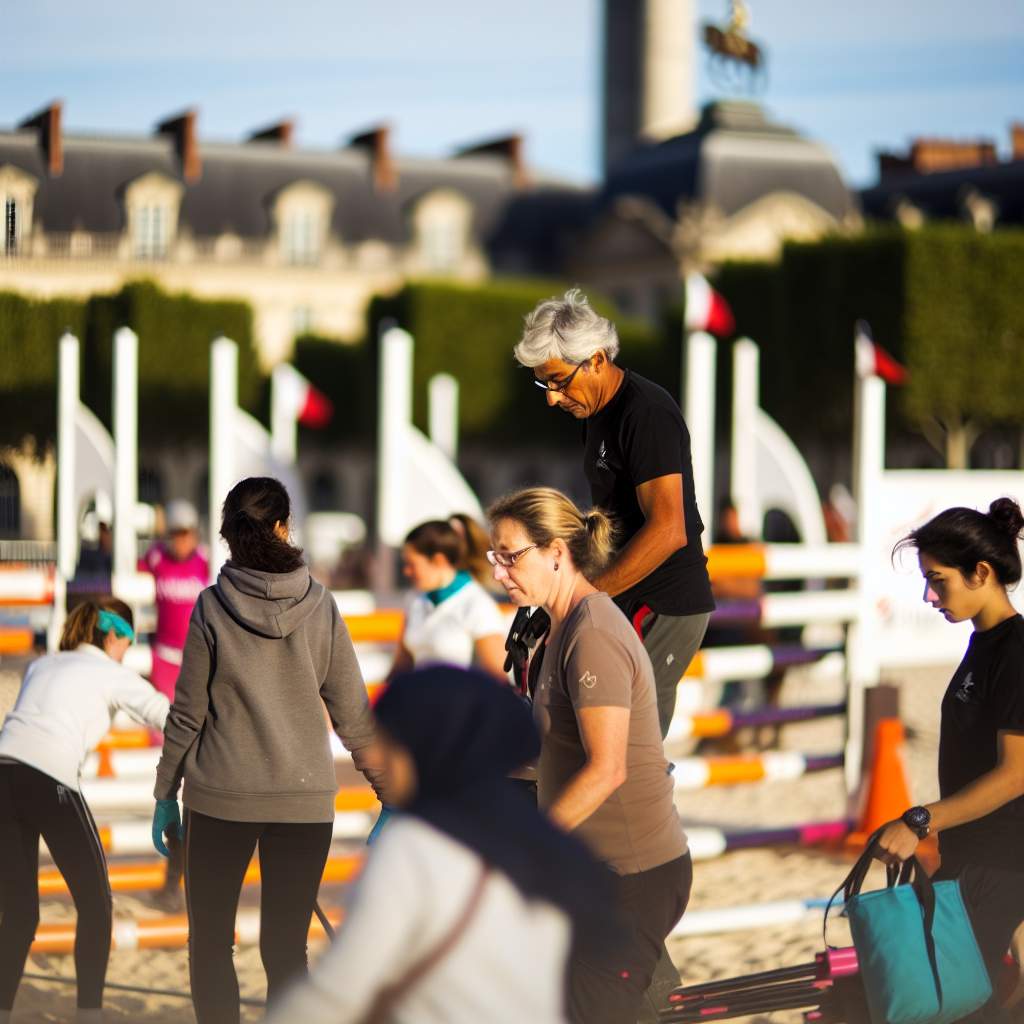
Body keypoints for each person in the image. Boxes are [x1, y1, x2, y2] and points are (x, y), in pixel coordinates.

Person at [151, 476, 388, 1024]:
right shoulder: (322, 606)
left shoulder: (212, 607)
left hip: (220, 799)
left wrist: (165, 792)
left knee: (210, 945)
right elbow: (354, 715)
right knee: (286, 951)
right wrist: (389, 794)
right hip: (304, 803)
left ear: (229, 535)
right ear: (284, 527)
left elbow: (186, 714)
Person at [268, 665, 618, 1024]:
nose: (380, 759)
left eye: (392, 744)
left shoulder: (412, 846)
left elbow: (336, 993)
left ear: (431, 749)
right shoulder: (545, 846)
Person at [487, 486, 691, 1024]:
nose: (500, 571)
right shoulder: (559, 628)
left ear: (557, 552)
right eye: (495, 557)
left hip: (631, 875)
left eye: (511, 556)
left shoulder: (592, 633)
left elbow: (608, 767)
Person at [514, 288, 714, 740]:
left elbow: (668, 529)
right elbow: (613, 521)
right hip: (628, 591)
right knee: (580, 730)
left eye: (559, 380)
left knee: (624, 749)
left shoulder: (645, 412)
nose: (551, 397)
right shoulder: (597, 412)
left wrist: (582, 598)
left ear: (598, 360)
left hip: (662, 601)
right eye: (543, 383)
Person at [876, 498, 1024, 999]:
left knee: (952, 1004)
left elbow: (1015, 776)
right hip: (976, 862)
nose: (928, 595)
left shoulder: (1016, 651)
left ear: (981, 572)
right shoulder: (985, 644)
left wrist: (920, 820)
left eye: (938, 579)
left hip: (1001, 866)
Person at [0, 599, 168, 1024]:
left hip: (2, 773)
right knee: (96, 905)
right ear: (114, 636)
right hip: (49, 778)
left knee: (19, 913)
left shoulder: (44, 664)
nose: (126, 652)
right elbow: (167, 716)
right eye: (128, 643)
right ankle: (89, 1016)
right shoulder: (110, 673)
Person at [388, 515, 507, 682]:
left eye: (412, 564)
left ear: (438, 560)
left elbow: (498, 679)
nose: (406, 571)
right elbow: (401, 668)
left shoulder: (477, 605)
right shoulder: (415, 601)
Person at [138, 498, 209, 708]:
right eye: (176, 534)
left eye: (187, 533)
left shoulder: (205, 560)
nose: (182, 541)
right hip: (164, 655)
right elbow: (132, 576)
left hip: (196, 657)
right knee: (166, 722)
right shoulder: (156, 556)